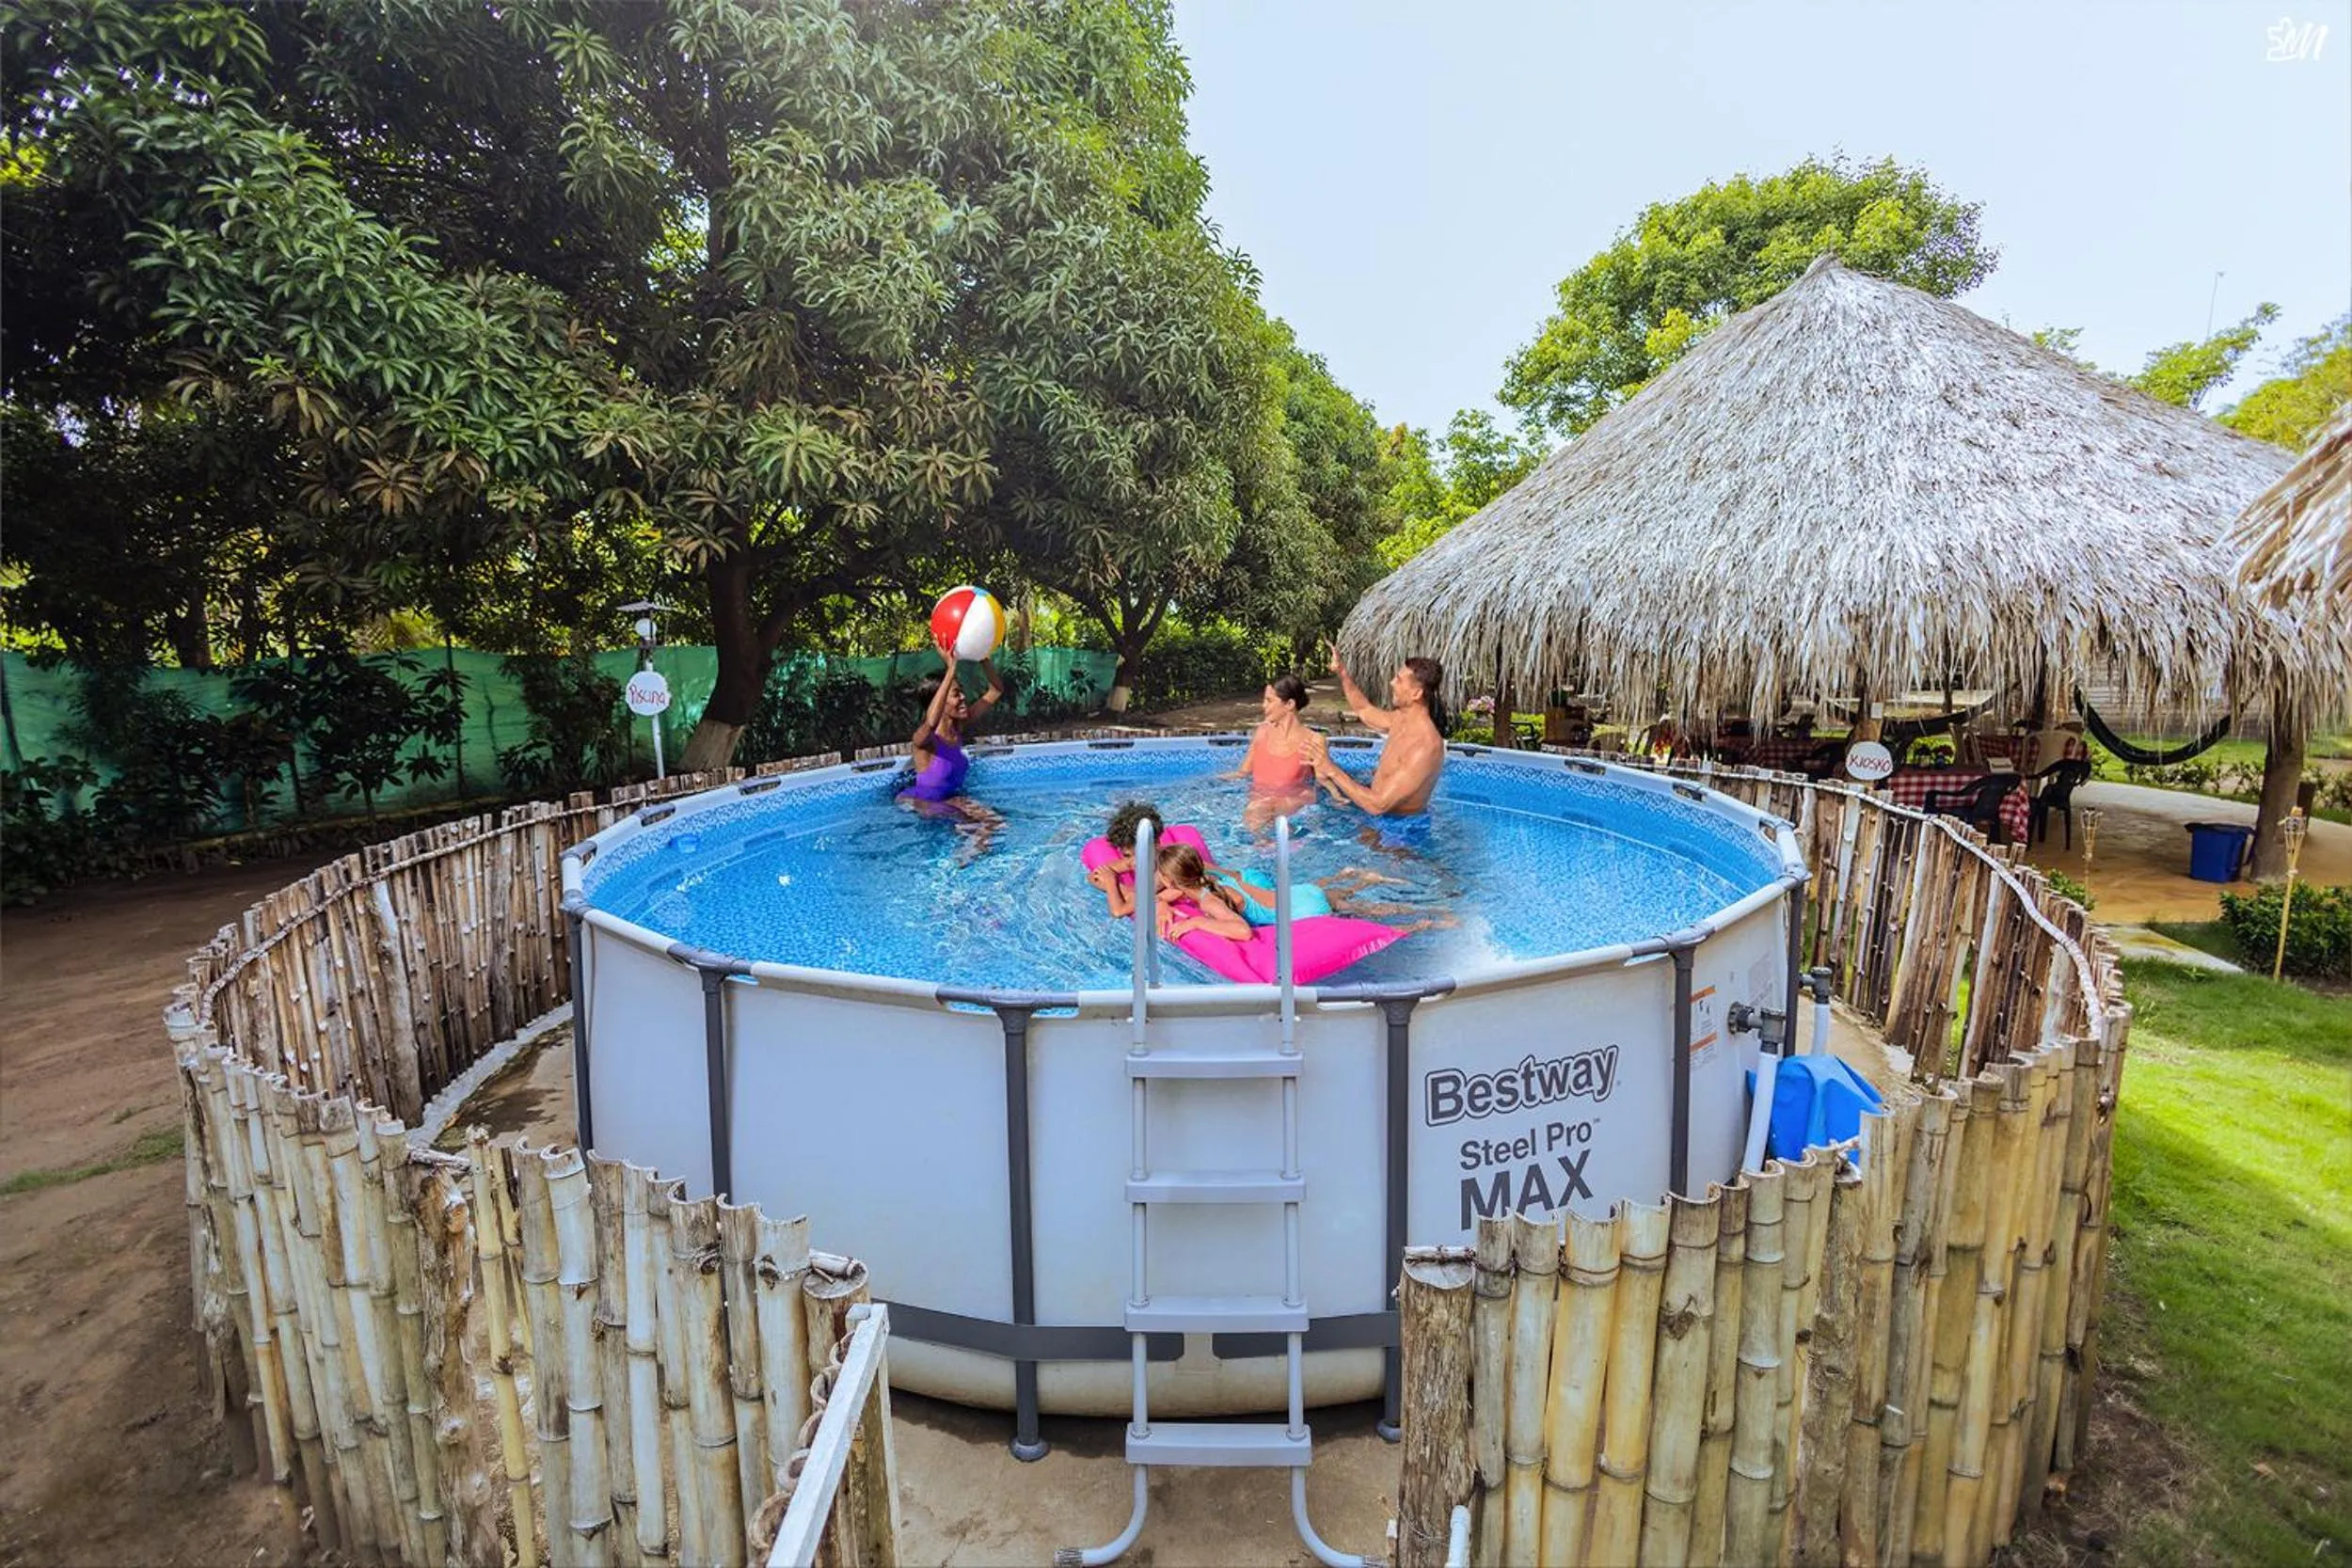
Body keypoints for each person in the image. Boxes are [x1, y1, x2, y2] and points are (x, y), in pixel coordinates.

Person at [1312, 654, 1448, 819]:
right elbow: (1364, 710)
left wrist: (1331, 769)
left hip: (1403, 831)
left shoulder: (1426, 747)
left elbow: (1379, 805)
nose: (1392, 683)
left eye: (1398, 680)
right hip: (1378, 816)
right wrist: (1342, 673)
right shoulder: (1400, 719)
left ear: (1416, 693)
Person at [898, 650, 1004, 858]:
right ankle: (956, 873)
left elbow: (995, 691)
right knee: (975, 828)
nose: (963, 697)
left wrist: (983, 658)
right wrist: (951, 669)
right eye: (956, 694)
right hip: (924, 802)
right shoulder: (924, 741)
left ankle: (963, 863)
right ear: (938, 702)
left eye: (961, 691)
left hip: (951, 799)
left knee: (996, 824)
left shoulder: (959, 728)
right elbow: (930, 722)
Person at [1233, 673, 1325, 831]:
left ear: (1289, 704)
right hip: (1258, 804)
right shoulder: (1261, 732)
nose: (1263, 705)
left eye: (1269, 700)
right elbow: (1243, 773)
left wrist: (1338, 798)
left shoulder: (1313, 740)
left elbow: (1323, 782)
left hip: (1291, 803)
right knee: (1258, 812)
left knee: (1259, 812)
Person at [1086, 800, 1164, 917]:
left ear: (1156, 844)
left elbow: (1118, 912)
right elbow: (1093, 876)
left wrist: (1111, 883)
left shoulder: (1163, 872)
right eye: (1127, 855)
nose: (1134, 862)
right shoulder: (1134, 860)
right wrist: (1125, 890)